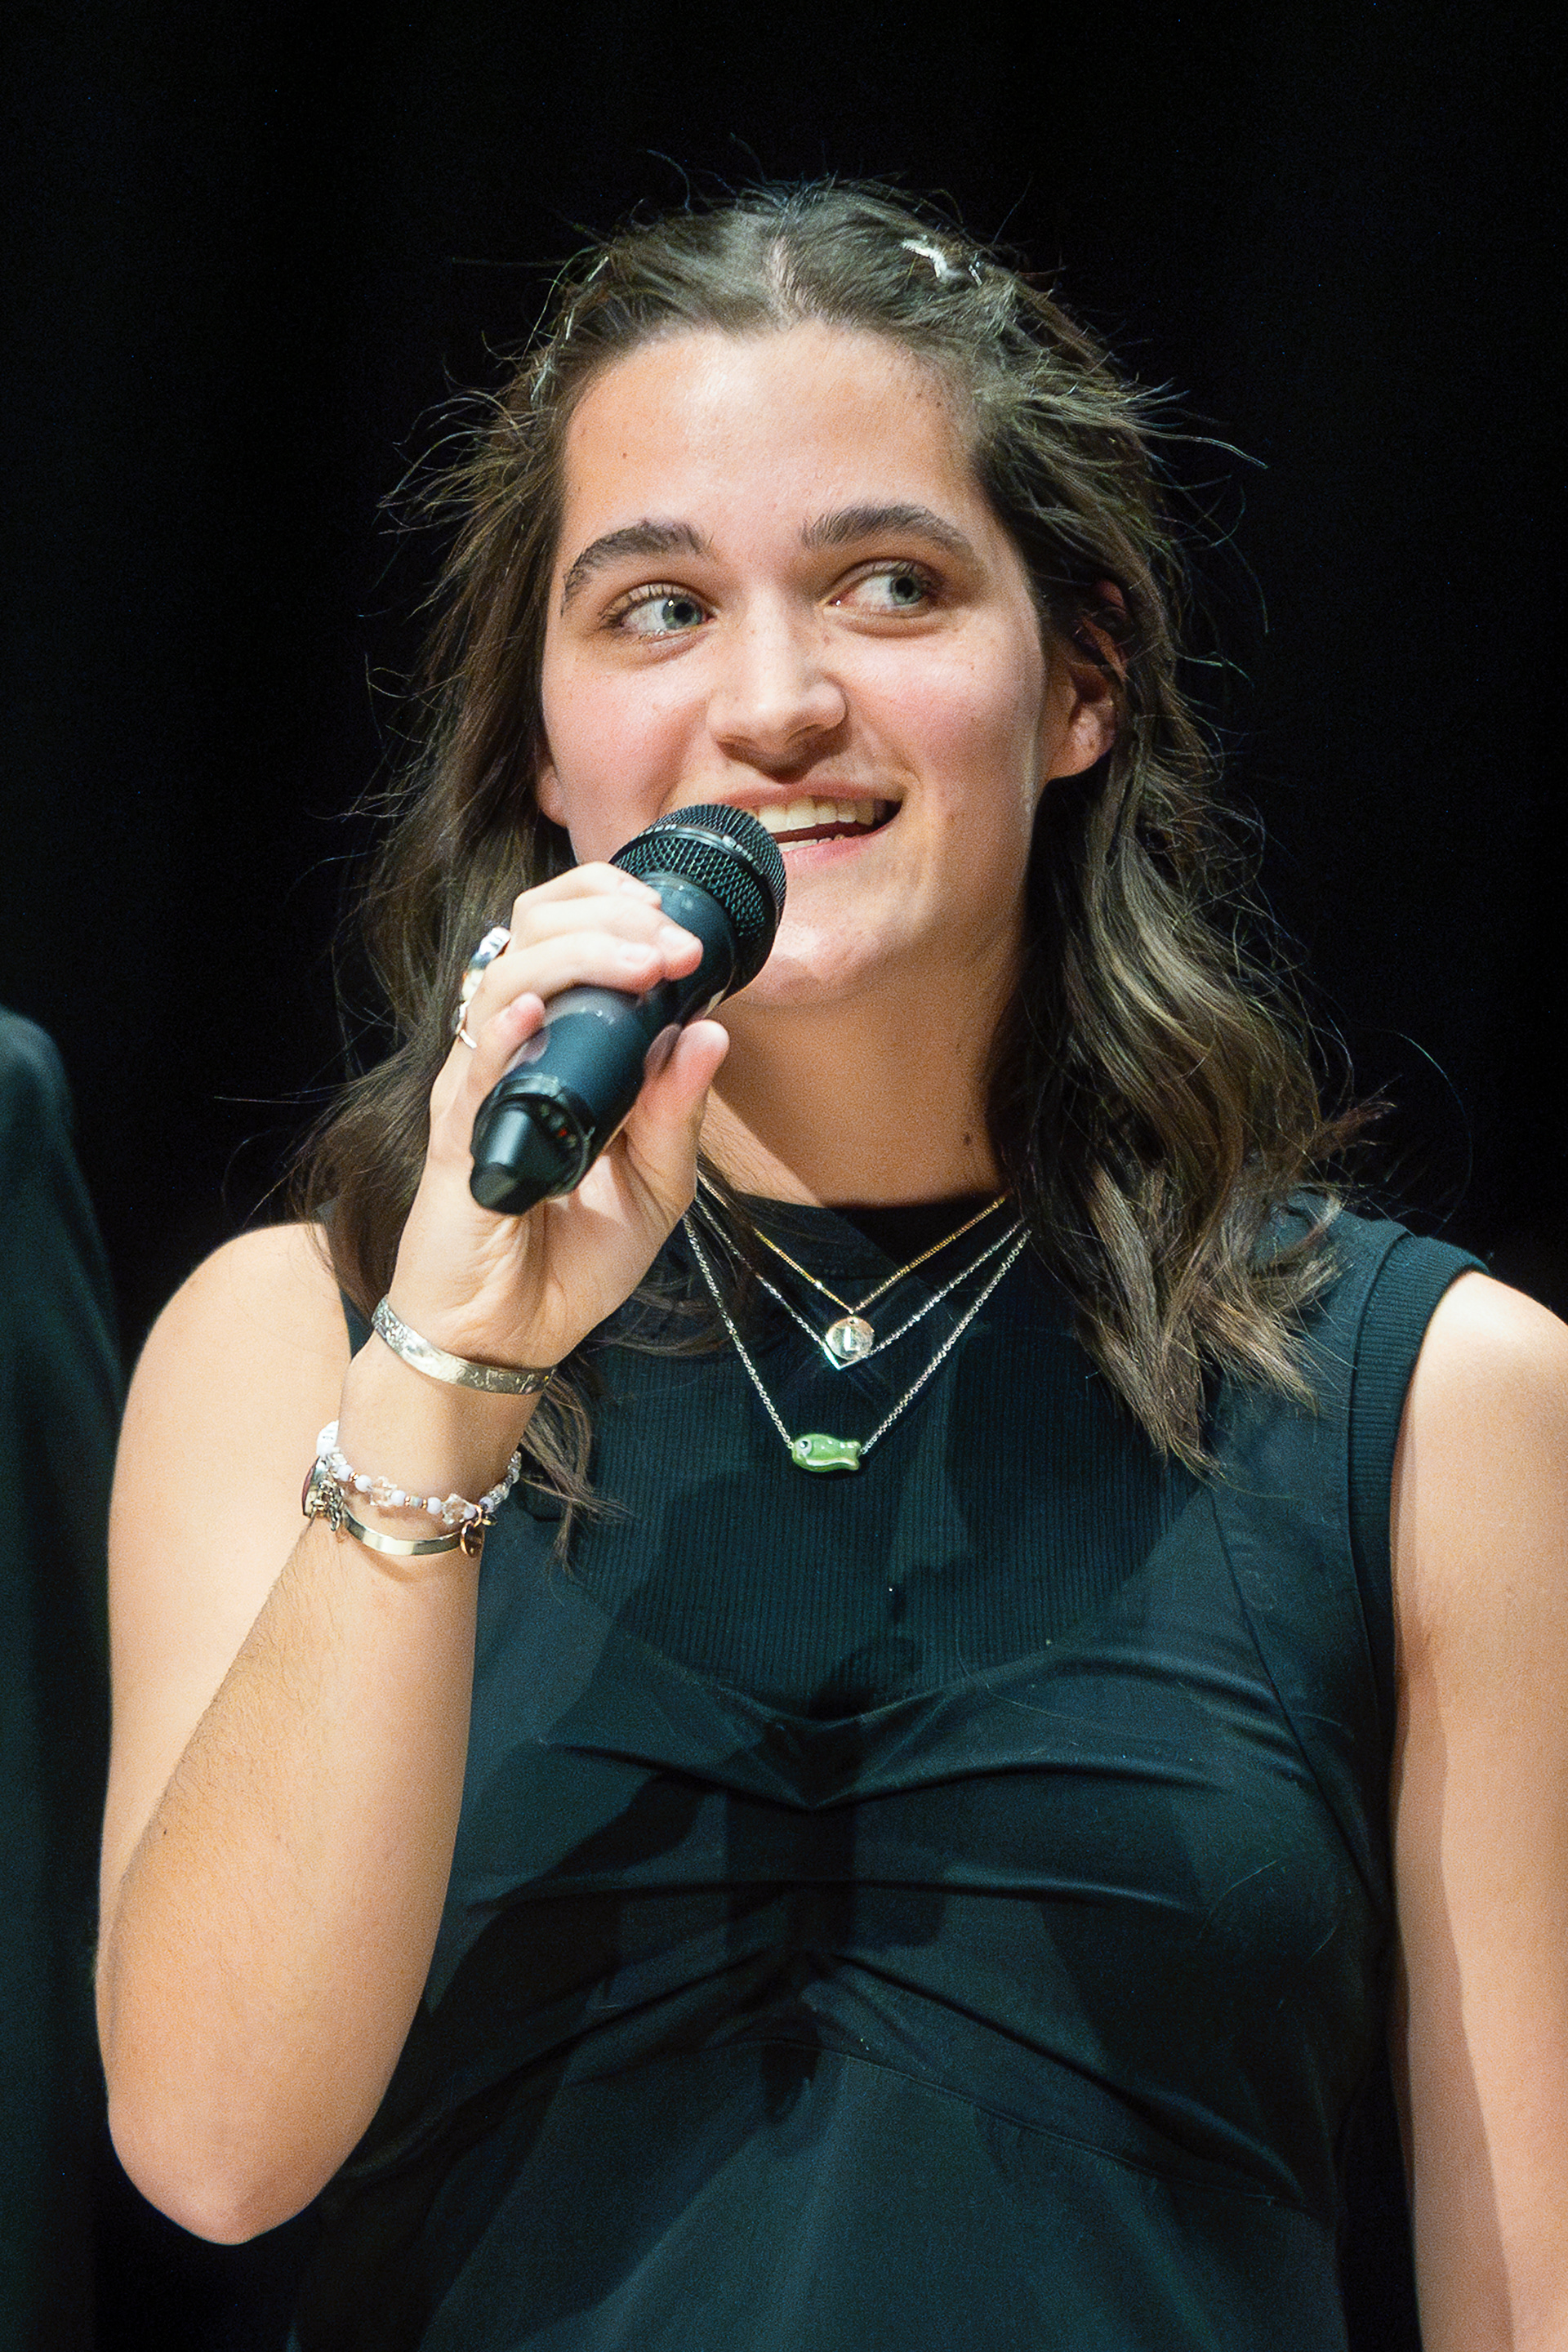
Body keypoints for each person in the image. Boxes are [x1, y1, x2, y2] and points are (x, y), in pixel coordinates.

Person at [96, 187, 1568, 2350]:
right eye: (658, 607)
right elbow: (214, 2151)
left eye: (892, 585)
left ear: (1080, 679)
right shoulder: (292, 1336)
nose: (775, 704)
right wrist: (450, 1360)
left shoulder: (1428, 1399)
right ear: (543, 743)